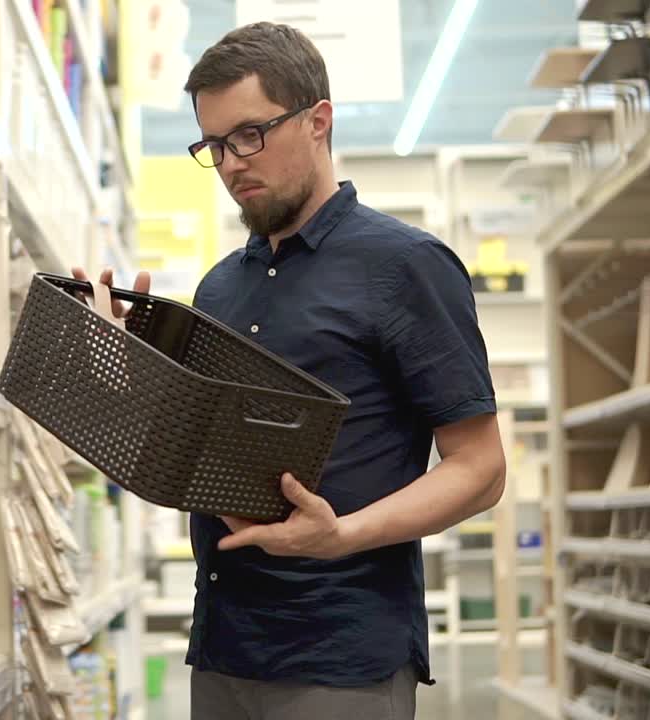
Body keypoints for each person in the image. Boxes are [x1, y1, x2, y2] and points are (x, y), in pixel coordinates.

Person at [76, 21, 506, 720]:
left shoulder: (405, 266)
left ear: (318, 121)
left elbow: (481, 468)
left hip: (340, 658)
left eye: (249, 134)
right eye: (213, 145)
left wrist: (341, 535)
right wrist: (122, 368)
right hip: (223, 646)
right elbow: (191, 460)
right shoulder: (217, 291)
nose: (230, 163)